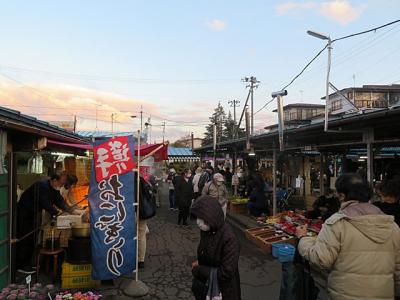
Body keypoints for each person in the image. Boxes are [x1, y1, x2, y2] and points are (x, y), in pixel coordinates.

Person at [296, 173, 400, 300]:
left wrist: (303, 239)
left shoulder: (337, 223)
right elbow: (398, 269)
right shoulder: (391, 225)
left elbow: (321, 259)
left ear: (342, 196)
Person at [17, 173, 73, 270]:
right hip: (24, 213)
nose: (61, 186)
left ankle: (28, 263)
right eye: (61, 183)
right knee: (25, 237)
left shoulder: (54, 189)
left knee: (32, 238)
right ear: (55, 180)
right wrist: (57, 212)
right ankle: (21, 265)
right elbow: (45, 203)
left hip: (33, 213)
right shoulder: (42, 186)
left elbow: (59, 201)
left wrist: (71, 210)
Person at [191, 195, 241, 300]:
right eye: (197, 217)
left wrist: (199, 270)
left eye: (202, 218)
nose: (198, 223)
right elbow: (207, 251)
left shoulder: (229, 239)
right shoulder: (207, 230)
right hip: (206, 285)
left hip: (223, 291)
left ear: (211, 216)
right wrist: (200, 261)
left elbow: (226, 273)